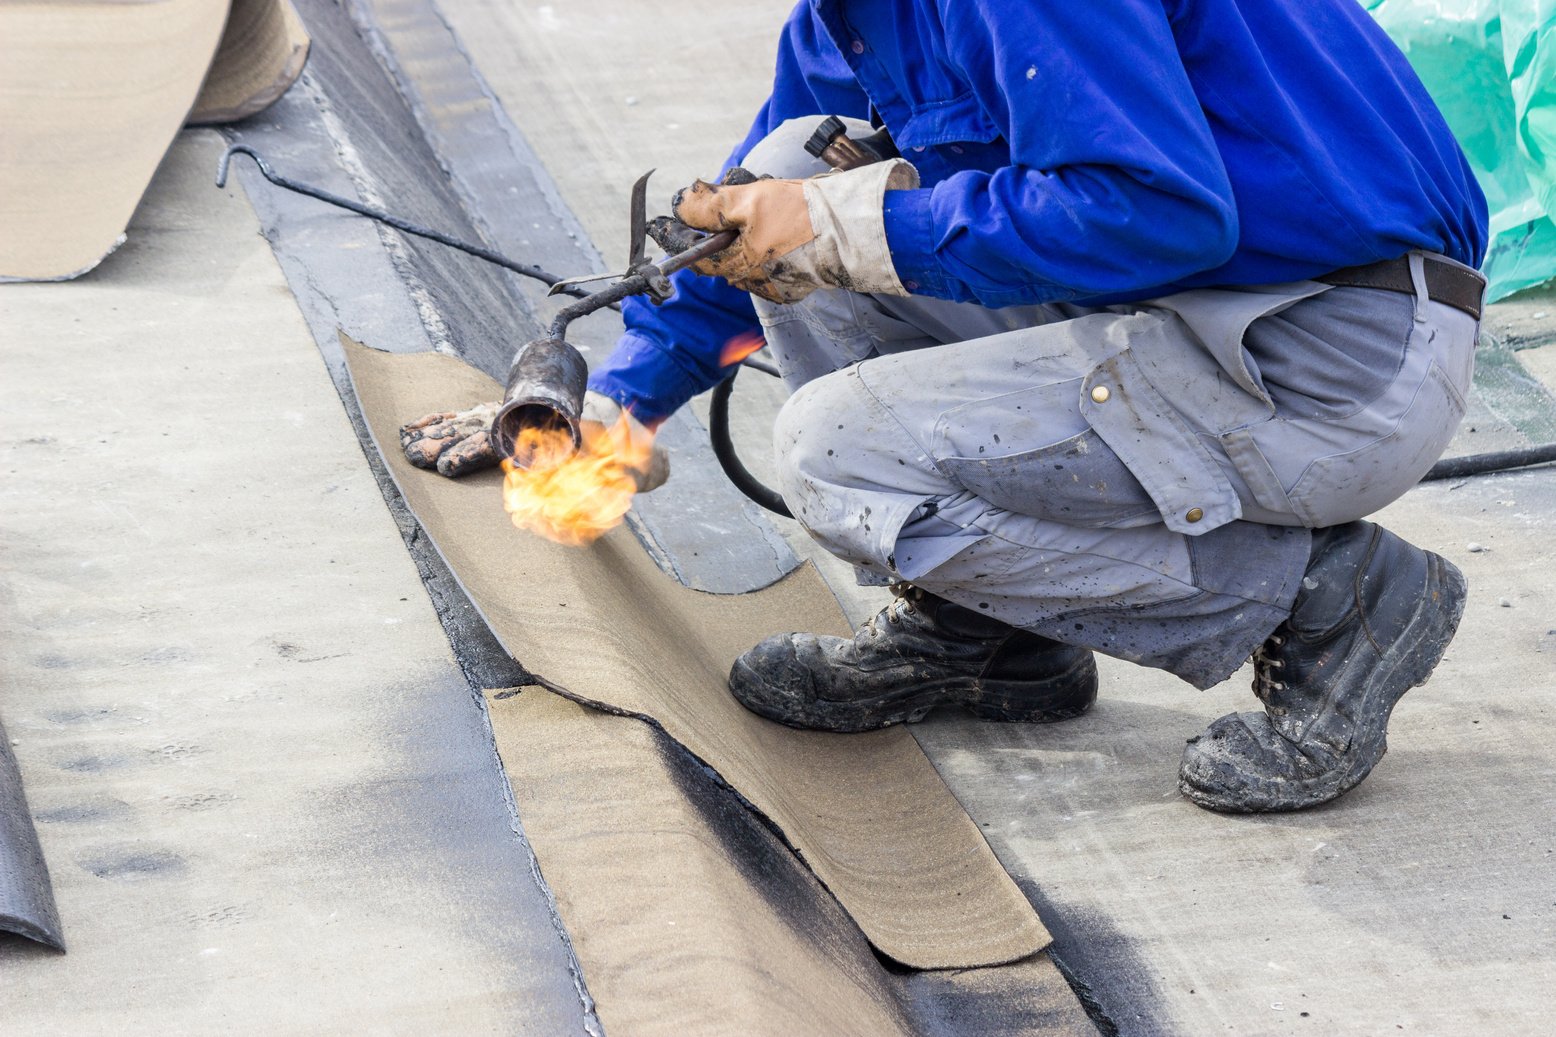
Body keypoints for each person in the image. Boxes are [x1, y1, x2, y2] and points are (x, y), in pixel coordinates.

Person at [405, 0, 1488, 813]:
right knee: (795, 166)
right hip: (1185, 307)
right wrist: (622, 412)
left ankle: (1324, 601)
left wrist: (848, 227)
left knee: (833, 453)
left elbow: (1161, 212)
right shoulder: (848, 22)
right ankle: (990, 638)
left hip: (1334, 352)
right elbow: (745, 236)